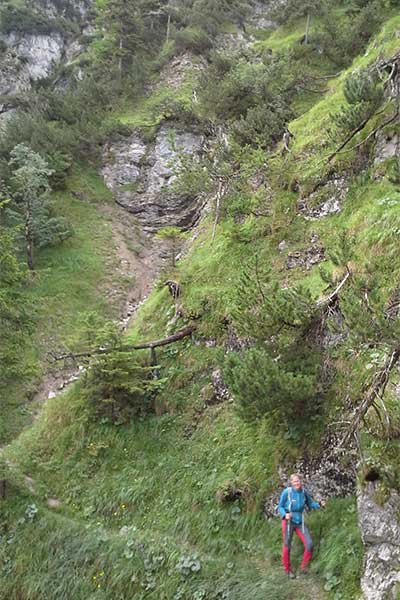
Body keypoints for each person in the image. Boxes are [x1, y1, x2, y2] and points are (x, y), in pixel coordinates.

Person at [278, 473, 325, 579]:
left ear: (301, 481)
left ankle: (303, 567)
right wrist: (285, 515)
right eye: (294, 481)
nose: (297, 483)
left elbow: (310, 504)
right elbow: (280, 506)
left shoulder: (303, 492)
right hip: (288, 521)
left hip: (300, 522)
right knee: (287, 545)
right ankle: (287, 570)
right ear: (291, 483)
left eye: (298, 480)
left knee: (309, 544)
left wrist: (319, 505)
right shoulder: (287, 492)